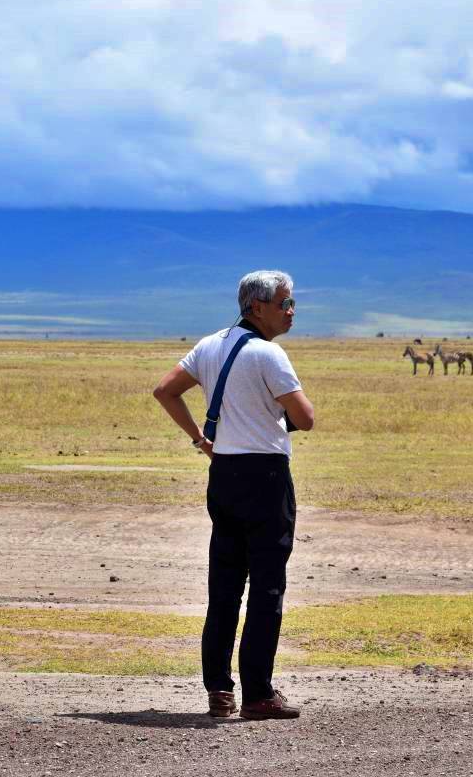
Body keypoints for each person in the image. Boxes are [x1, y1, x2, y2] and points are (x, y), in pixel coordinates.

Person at [153, 270, 314, 720]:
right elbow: (305, 418)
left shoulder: (209, 345)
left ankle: (218, 691)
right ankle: (259, 694)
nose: (291, 310)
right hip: (265, 476)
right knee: (266, 587)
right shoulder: (269, 354)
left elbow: (165, 390)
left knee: (224, 587)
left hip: (223, 474)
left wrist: (201, 440)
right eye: (285, 302)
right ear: (257, 307)